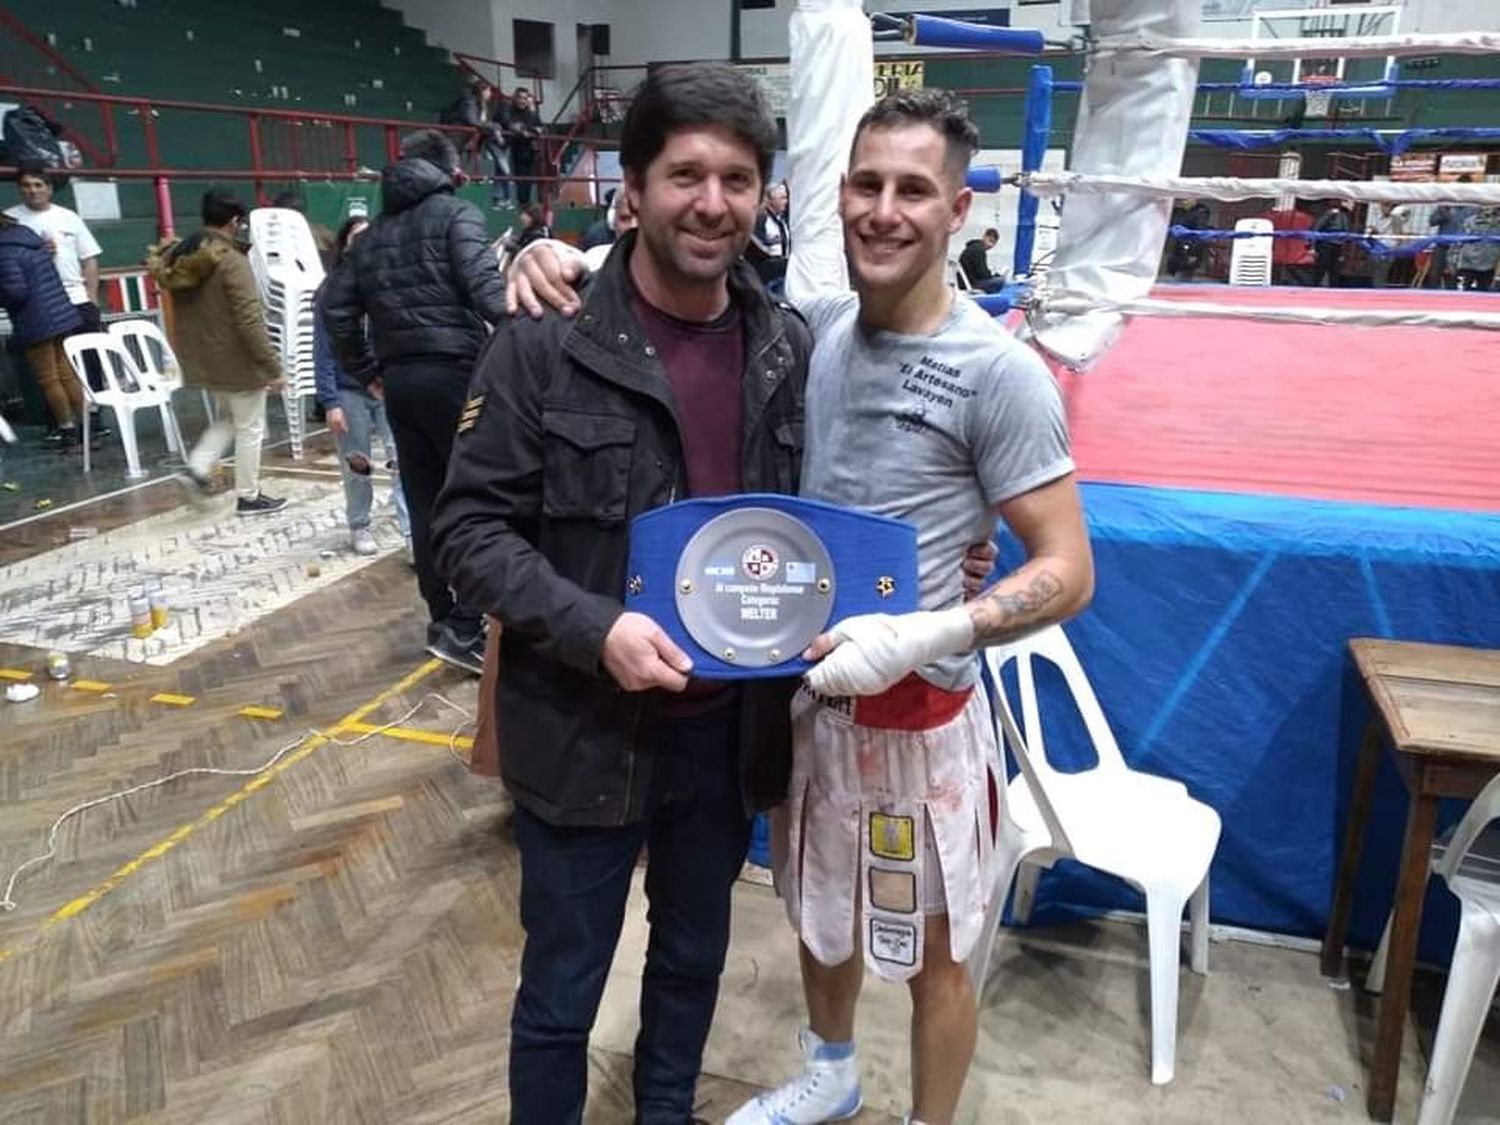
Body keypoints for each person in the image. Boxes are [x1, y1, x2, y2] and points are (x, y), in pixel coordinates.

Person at [507, 9, 1093, 1121]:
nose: (884, 210)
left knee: (931, 949)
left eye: (914, 191)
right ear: (835, 196)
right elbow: (686, 271)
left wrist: (932, 627)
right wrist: (559, 251)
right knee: (822, 915)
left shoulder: (998, 373)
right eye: (865, 184)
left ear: (958, 209)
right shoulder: (808, 328)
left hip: (924, 705)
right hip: (799, 702)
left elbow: (1068, 569)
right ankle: (830, 1071)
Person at [431, 62, 816, 1124]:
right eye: (684, 173)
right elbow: (466, 533)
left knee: (691, 965)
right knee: (561, 998)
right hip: (585, 732)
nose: (712, 202)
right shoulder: (541, 346)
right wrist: (596, 629)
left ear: (761, 195)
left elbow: (813, 528)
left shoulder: (787, 346)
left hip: (725, 738)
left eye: (737, 179)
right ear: (632, 190)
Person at [323, 128, 504, 675]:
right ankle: (468, 625)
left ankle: (443, 619)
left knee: (426, 502)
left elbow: (334, 309)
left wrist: (368, 372)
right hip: (456, 377)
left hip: (400, 382)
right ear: (450, 172)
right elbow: (488, 294)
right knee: (478, 498)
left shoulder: (373, 235)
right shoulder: (454, 215)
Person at [148, 188, 286, 515]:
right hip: (238, 360)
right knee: (251, 427)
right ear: (235, 221)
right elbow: (249, 318)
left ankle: (196, 468)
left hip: (205, 360)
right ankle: (249, 496)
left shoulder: (182, 255)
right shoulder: (230, 260)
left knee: (228, 418)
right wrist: (272, 366)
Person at [314, 217, 410, 556]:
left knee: (403, 459)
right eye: (356, 237)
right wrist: (330, 401)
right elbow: (324, 349)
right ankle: (360, 524)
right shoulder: (331, 291)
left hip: (389, 387)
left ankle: (411, 533)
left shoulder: (390, 283)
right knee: (358, 462)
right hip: (348, 389)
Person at [7, 160, 108, 429]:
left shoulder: (68, 217)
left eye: (38, 185)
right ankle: (59, 423)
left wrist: (92, 298)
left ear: (49, 188)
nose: (32, 190)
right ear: (19, 189)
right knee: (49, 373)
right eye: (26, 186)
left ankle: (93, 419)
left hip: (76, 300)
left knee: (87, 363)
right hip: (37, 306)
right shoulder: (9, 221)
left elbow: (89, 260)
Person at [0, 211, 85, 444]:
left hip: (35, 320)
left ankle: (66, 430)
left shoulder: (4, 252)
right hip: (61, 314)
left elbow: (16, 292)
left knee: (49, 378)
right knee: (66, 373)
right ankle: (85, 427)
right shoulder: (30, 240)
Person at [1429, 176, 1477, 289]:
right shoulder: (1447, 203)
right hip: (1442, 245)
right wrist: (1443, 211)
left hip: (1461, 248)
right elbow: (1432, 222)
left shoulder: (1474, 206)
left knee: (1454, 279)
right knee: (1434, 277)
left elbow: (1473, 227)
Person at [499, 87, 543, 206]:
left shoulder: (530, 112)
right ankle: (519, 202)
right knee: (519, 177)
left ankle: (525, 203)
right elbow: (513, 126)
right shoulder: (509, 110)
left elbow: (539, 128)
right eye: (520, 98)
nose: (523, 101)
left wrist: (528, 130)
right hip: (514, 148)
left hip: (529, 150)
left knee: (528, 178)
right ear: (515, 98)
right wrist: (527, 130)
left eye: (525, 98)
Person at [1454, 204, 1500, 291]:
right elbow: (1459, 241)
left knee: (1483, 294)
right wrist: (1454, 261)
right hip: (1469, 264)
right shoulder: (1469, 221)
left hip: (1489, 263)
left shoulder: (1470, 220)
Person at [1365, 202, 1410, 289]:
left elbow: (1399, 234)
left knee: (1381, 274)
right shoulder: (1379, 218)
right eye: (1382, 205)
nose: (1382, 208)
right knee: (1375, 274)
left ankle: (1379, 294)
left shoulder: (1396, 219)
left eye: (1385, 205)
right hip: (1377, 249)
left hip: (1388, 250)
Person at [958, 227, 1007, 292]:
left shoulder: (973, 247)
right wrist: (994, 276)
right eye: (990, 241)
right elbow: (983, 274)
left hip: (965, 281)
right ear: (984, 237)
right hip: (971, 283)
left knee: (997, 279)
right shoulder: (979, 250)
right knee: (1001, 280)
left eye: (993, 243)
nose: (990, 245)